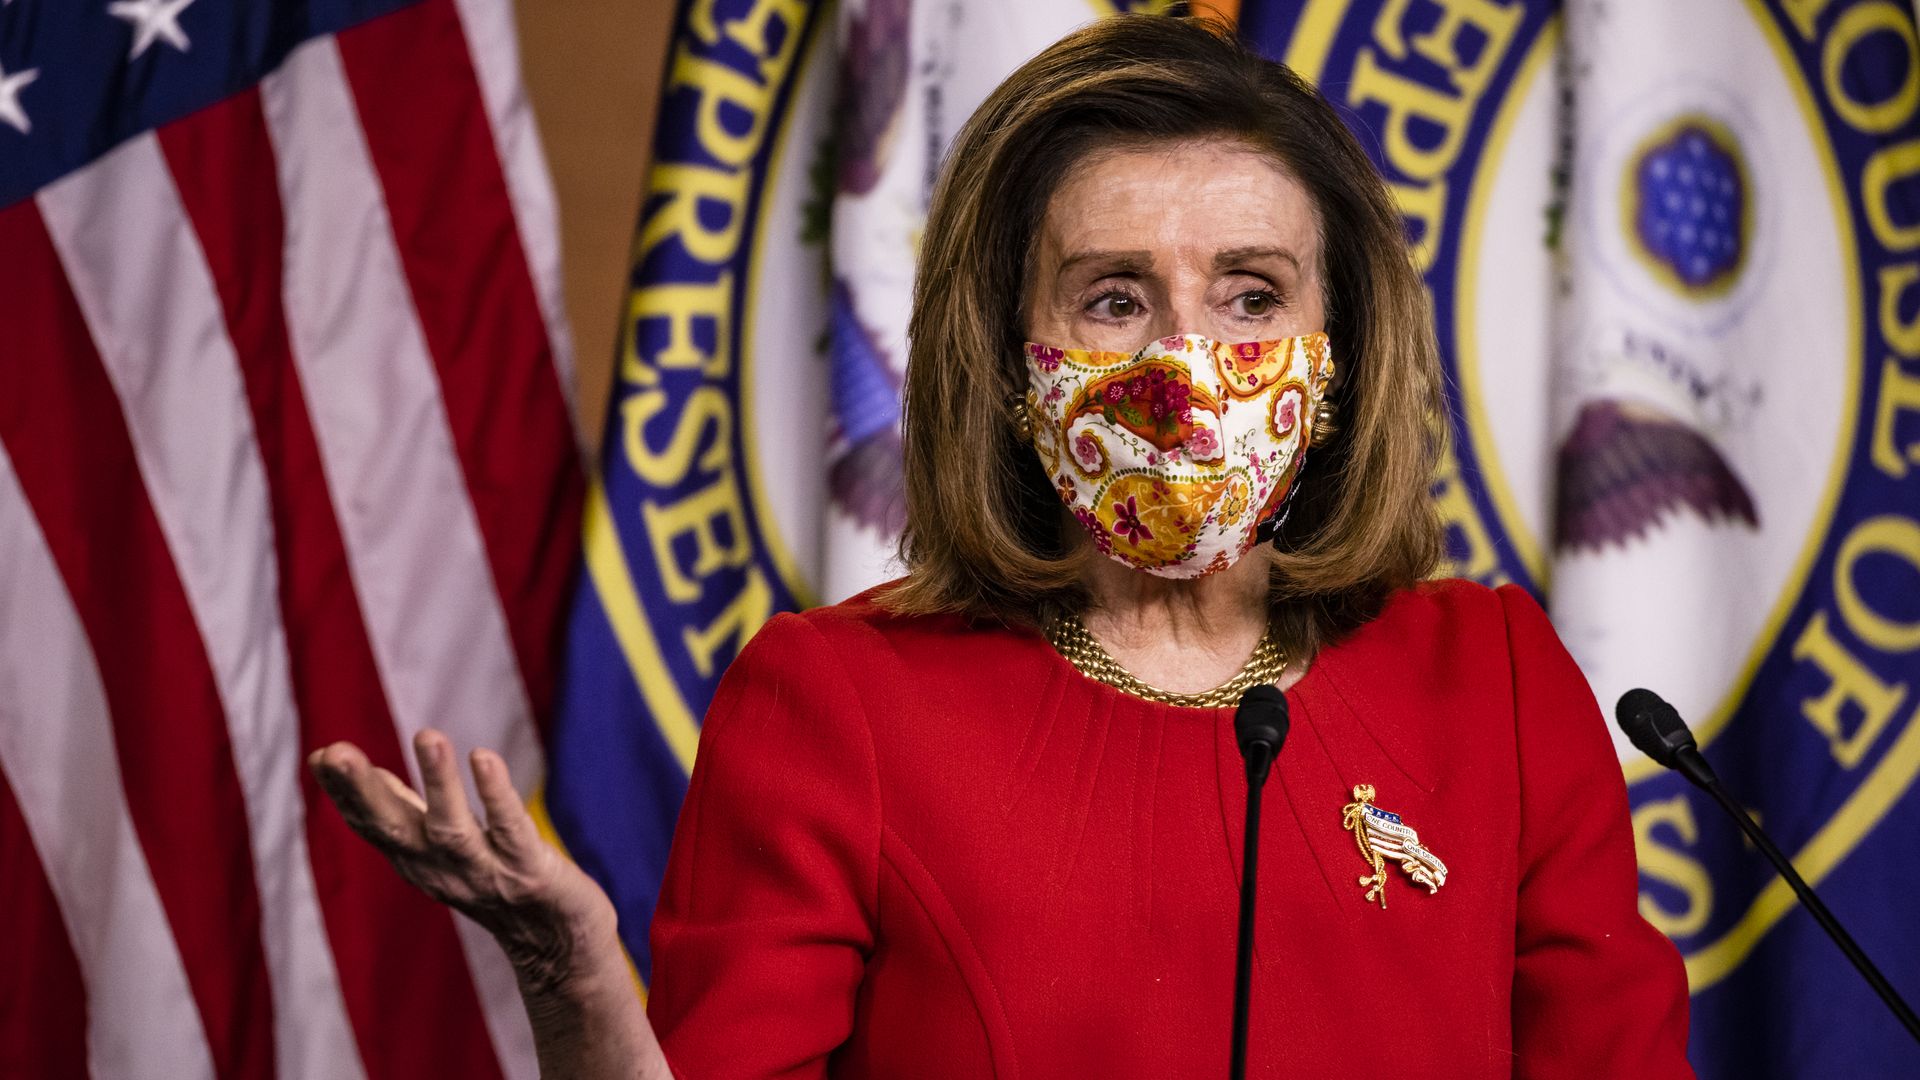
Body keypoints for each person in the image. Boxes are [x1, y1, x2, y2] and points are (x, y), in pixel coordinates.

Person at [310, 15, 1693, 1078]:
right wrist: (576, 989)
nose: (1183, 366)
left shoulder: (1496, 682)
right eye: (1114, 298)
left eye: (1250, 295)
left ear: (1339, 358)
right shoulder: (836, 705)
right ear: (1012, 362)